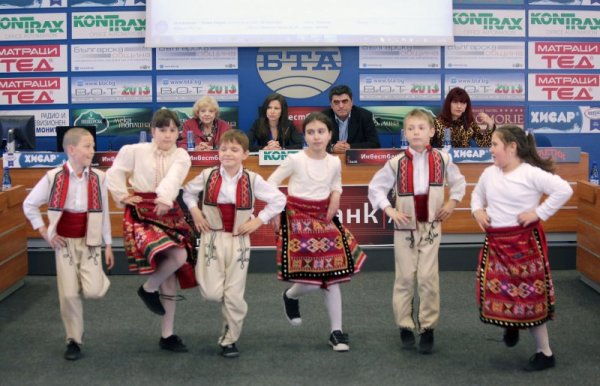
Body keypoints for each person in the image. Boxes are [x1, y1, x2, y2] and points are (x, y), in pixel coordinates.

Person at [471, 125, 572, 371]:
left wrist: (539, 212)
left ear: (512, 147)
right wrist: (477, 210)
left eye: (495, 144)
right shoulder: (489, 173)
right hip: (496, 245)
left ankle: (545, 353)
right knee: (500, 291)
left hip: (525, 246)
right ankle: (512, 324)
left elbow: (564, 190)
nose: (491, 149)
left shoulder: (531, 174)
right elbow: (476, 194)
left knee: (531, 298)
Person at [368, 108, 466, 354]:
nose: (416, 132)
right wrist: (389, 210)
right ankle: (404, 325)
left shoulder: (443, 159)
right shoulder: (396, 162)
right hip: (404, 229)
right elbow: (375, 188)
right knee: (404, 278)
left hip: (431, 227)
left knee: (427, 278)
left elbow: (458, 183)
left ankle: (428, 327)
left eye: (421, 128)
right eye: (410, 128)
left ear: (432, 131)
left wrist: (452, 203)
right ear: (405, 133)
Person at [267, 112, 367, 352]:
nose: (316, 136)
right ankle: (291, 295)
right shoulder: (295, 159)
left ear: (330, 134)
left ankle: (336, 331)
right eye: (311, 132)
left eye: (321, 131)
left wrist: (336, 196)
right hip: (297, 219)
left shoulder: (333, 161)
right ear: (305, 135)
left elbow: (336, 184)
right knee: (315, 279)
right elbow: (270, 183)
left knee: (334, 274)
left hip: (324, 218)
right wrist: (275, 210)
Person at [182, 129, 286, 358]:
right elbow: (188, 193)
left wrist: (258, 220)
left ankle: (229, 339)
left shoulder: (253, 179)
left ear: (245, 154)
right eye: (223, 149)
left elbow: (279, 199)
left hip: (239, 241)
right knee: (211, 292)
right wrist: (196, 213)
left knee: (235, 294)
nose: (227, 153)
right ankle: (229, 308)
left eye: (234, 149)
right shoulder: (208, 175)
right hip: (212, 239)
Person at [106, 109, 196, 353]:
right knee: (176, 257)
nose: (167, 135)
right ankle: (148, 289)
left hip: (168, 210)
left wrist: (166, 198)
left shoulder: (181, 154)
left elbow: (174, 179)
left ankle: (167, 333)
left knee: (173, 270)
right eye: (162, 130)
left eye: (172, 130)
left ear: (178, 132)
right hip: (140, 211)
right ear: (152, 130)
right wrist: (123, 196)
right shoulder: (133, 151)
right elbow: (114, 174)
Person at [23, 128, 113, 361]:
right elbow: (29, 204)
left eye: (93, 146)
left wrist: (109, 244)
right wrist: (45, 232)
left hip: (91, 241)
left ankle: (83, 280)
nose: (92, 151)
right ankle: (74, 339)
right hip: (63, 243)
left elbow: (102, 212)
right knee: (69, 296)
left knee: (94, 291)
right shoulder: (53, 177)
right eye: (87, 146)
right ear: (71, 150)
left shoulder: (99, 177)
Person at [322, 84, 380, 153]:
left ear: (352, 102)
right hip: (330, 160)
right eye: (336, 102)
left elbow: (375, 144)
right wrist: (332, 148)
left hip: (357, 161)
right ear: (331, 105)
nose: (341, 106)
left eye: (345, 101)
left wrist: (350, 147)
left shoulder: (365, 116)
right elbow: (313, 144)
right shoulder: (323, 117)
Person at [431, 86, 495, 148]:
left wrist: (490, 126)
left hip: (466, 159)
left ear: (466, 106)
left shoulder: (470, 123)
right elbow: (426, 146)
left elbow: (483, 146)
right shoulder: (437, 123)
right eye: (455, 102)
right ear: (448, 104)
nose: (459, 106)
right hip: (443, 158)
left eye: (462, 103)